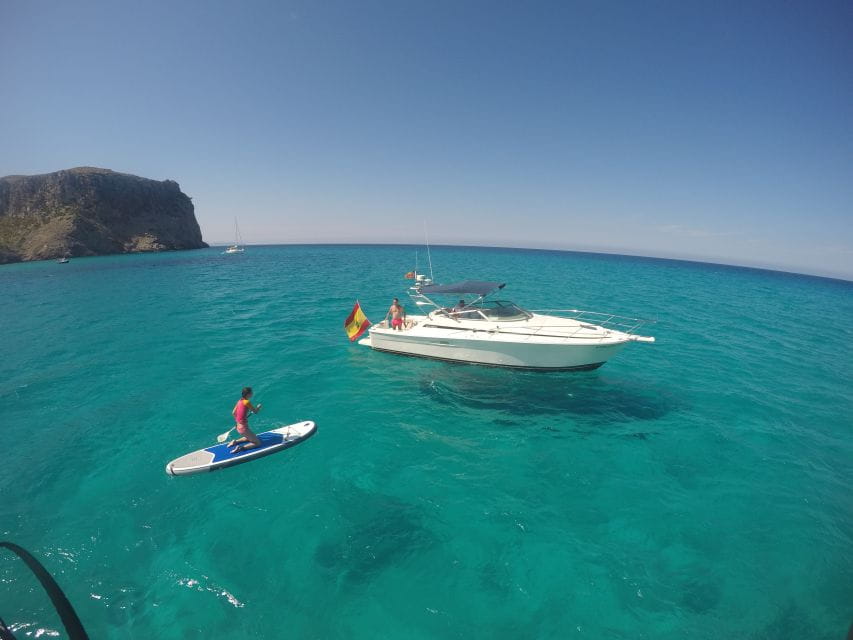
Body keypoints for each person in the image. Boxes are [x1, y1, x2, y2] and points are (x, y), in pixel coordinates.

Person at [228, 386, 262, 454]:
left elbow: (233, 413)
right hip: (243, 428)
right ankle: (240, 448)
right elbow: (255, 412)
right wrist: (258, 407)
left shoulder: (239, 401)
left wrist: (238, 421)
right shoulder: (247, 402)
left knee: (250, 437)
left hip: (238, 426)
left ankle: (235, 442)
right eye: (251, 392)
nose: (252, 393)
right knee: (257, 443)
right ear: (248, 394)